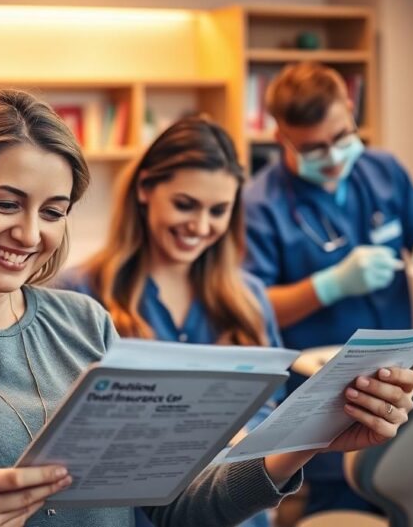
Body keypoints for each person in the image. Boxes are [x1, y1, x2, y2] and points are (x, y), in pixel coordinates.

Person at [0, 88, 413, 527]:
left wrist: (305, 439)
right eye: (6, 204)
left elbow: (174, 509)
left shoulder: (82, 323)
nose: (30, 235)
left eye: (53, 212)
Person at [242, 62, 413, 515]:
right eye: (314, 148)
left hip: (399, 383)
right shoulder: (260, 204)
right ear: (281, 134)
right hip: (322, 395)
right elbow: (250, 308)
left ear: (349, 107)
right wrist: (329, 285)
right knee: (342, 506)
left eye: (342, 137)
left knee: (409, 496)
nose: (334, 156)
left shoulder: (383, 170)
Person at [56, 116, 284, 527]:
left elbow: (268, 417)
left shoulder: (249, 298)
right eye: (185, 205)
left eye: (218, 211)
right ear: (145, 189)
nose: (199, 227)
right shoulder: (78, 295)